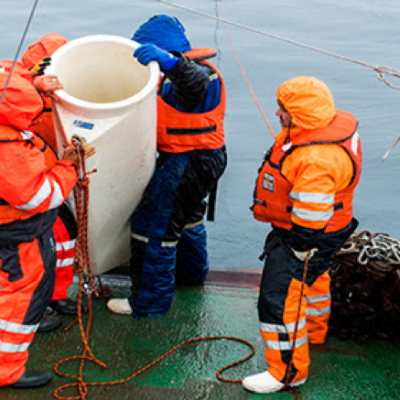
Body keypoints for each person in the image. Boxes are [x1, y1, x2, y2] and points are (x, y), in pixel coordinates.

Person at [243, 76, 362, 393]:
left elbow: (311, 216)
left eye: (283, 110)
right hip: (336, 227)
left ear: (301, 114)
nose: (278, 115)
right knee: (315, 281)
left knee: (279, 297)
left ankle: (287, 372)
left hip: (309, 236)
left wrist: (299, 248)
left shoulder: (314, 159)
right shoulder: (332, 130)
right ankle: (314, 330)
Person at [107, 15, 227, 318]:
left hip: (185, 162)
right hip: (206, 158)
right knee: (186, 219)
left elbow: (193, 83)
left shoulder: (197, 74)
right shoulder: (181, 75)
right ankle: (191, 274)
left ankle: (148, 303)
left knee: (153, 228)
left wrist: (170, 63)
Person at [0, 72, 94, 389]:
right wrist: (67, 166)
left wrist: (33, 84)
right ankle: (6, 370)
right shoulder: (7, 150)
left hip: (14, 232)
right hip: (15, 234)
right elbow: (39, 196)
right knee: (17, 298)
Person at [22, 33, 80, 317]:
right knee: (30, 250)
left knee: (64, 236)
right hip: (25, 187)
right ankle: (36, 305)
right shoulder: (15, 91)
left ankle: (56, 294)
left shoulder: (66, 94)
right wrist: (32, 85)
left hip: (52, 180)